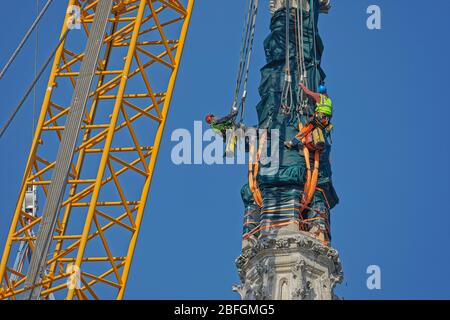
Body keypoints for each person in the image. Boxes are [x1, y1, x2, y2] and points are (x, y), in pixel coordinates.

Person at [284, 83, 333, 151]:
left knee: (305, 129)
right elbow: (330, 114)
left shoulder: (319, 96)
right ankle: (317, 145)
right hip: (326, 121)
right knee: (316, 131)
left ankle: (291, 143)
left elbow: (308, 92)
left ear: (320, 92)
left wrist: (302, 85)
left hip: (319, 117)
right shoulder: (329, 100)